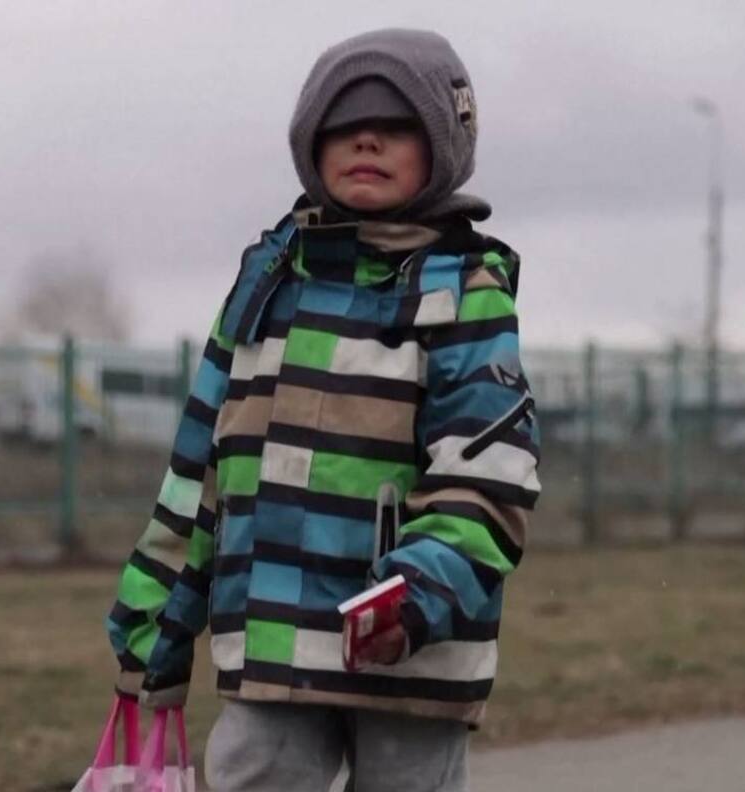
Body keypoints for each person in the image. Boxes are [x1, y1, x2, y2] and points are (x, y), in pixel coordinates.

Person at [105, 28, 541, 792]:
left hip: (414, 649)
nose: (365, 137)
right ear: (311, 142)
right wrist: (155, 616)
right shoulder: (265, 282)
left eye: (396, 122)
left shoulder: (467, 292)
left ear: (445, 142)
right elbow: (202, 471)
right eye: (342, 123)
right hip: (272, 641)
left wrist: (417, 593)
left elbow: (490, 475)